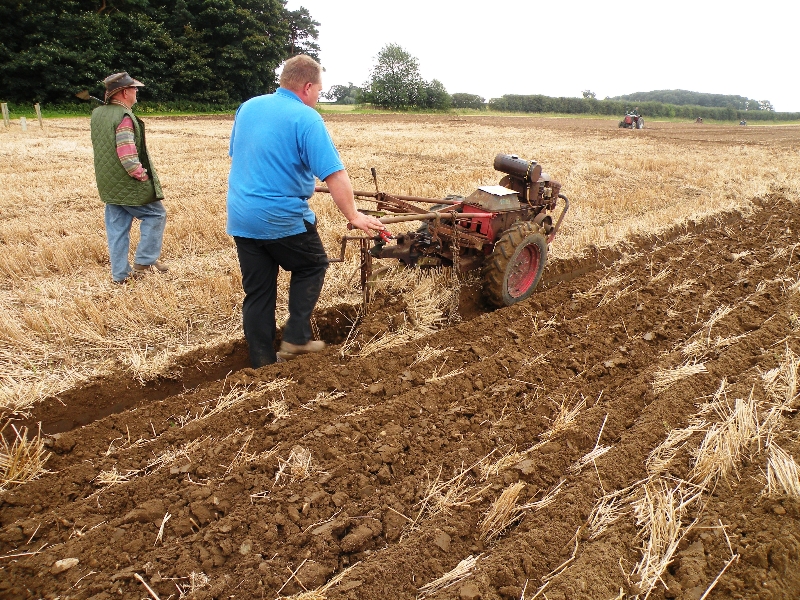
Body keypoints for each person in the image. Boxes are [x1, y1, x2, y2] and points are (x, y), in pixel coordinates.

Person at [226, 54, 384, 368]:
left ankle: (261, 361)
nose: (318, 98)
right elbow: (335, 174)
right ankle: (296, 337)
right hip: (278, 217)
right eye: (319, 92)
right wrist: (353, 215)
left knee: (258, 293)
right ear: (307, 87)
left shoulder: (249, 107)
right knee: (312, 265)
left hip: (241, 217)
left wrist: (295, 179)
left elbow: (245, 155)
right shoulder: (306, 117)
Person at [90, 72, 168, 284]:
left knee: (117, 229)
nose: (137, 92)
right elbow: (126, 152)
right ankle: (145, 261)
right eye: (134, 89)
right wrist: (139, 174)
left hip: (108, 183)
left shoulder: (98, 114)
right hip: (127, 181)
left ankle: (120, 275)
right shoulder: (123, 117)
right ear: (124, 92)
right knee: (156, 215)